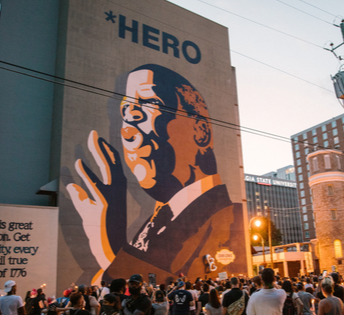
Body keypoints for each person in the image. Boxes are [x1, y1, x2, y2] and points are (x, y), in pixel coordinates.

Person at [67, 65, 246, 283]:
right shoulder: (156, 222)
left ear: (201, 131)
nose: (127, 129)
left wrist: (109, 244)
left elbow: (175, 287)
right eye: (125, 113)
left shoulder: (229, 220)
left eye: (149, 105)